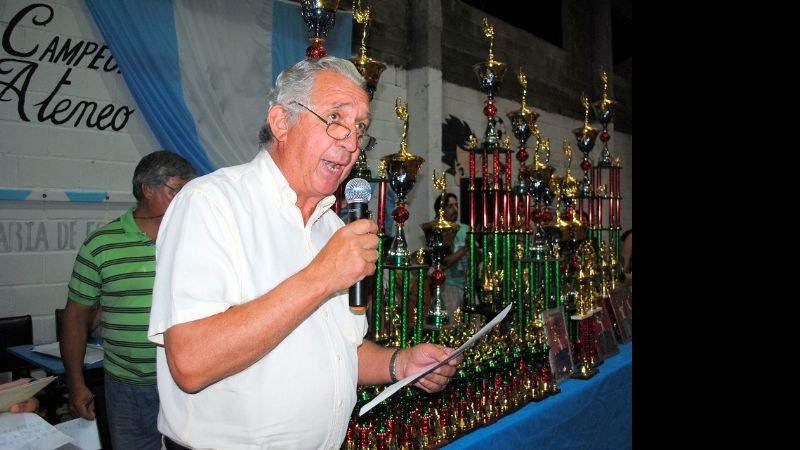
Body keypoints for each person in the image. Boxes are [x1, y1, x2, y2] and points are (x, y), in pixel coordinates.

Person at [148, 56, 461, 449]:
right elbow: (191, 363)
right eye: (335, 118)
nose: (350, 143)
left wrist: (399, 364)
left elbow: (339, 352)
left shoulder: (333, 229)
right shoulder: (211, 204)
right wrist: (322, 276)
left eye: (360, 128)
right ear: (282, 122)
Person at [60, 151, 196, 450]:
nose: (185, 200)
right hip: (128, 385)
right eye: (176, 190)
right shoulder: (102, 245)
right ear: (147, 190)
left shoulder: (198, 239)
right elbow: (76, 317)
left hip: (188, 383)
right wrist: (76, 383)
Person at [434, 192, 470, 320]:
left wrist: (473, 244)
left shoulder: (465, 229)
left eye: (456, 205)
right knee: (450, 325)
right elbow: (444, 262)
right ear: (441, 210)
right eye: (450, 206)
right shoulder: (437, 230)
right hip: (449, 287)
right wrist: (465, 249)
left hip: (468, 285)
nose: (455, 209)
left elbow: (478, 259)